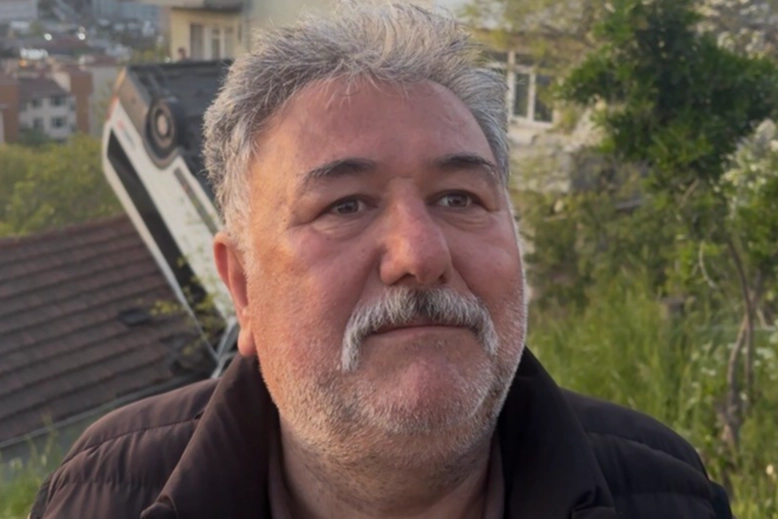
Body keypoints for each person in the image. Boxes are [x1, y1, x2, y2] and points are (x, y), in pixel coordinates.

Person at [30, 4, 733, 518]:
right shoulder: (97, 496)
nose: (420, 254)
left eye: (459, 197)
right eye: (345, 205)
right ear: (242, 286)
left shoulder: (668, 495)